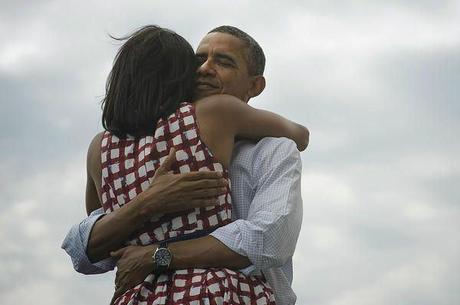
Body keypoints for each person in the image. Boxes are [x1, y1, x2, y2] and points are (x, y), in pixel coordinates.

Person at [63, 25, 306, 305]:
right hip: (217, 292)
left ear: (255, 85)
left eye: (223, 62)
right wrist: (148, 201)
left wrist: (155, 253)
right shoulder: (208, 119)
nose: (204, 69)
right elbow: (92, 244)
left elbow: (268, 240)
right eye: (198, 60)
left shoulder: (272, 151)